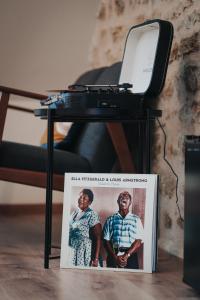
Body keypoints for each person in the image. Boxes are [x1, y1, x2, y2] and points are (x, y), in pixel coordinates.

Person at [103, 191, 144, 269]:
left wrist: (127, 255)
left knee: (131, 280)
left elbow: (139, 241)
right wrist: (115, 257)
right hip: (113, 256)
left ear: (130, 202)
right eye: (121, 197)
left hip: (131, 256)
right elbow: (106, 241)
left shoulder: (136, 219)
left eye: (127, 197)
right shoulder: (110, 219)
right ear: (118, 201)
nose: (124, 197)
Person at [69, 189, 102, 267]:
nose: (81, 200)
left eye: (84, 198)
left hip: (86, 252)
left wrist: (96, 258)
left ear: (89, 202)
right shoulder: (74, 213)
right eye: (80, 197)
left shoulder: (92, 214)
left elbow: (98, 237)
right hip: (73, 250)